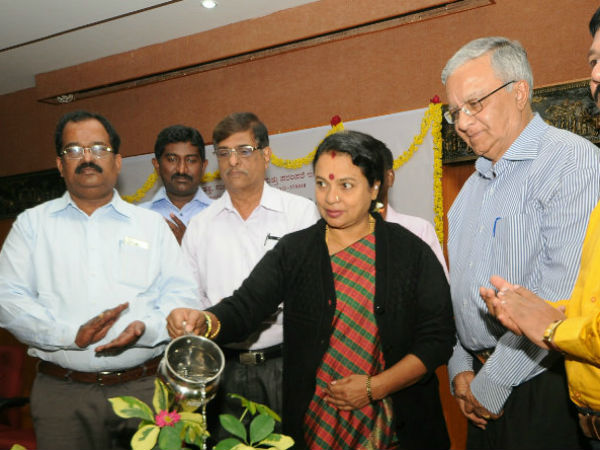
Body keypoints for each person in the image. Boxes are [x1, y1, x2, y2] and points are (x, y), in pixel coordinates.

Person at [169, 130, 455, 450]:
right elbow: (245, 306)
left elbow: (438, 339)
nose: (330, 198)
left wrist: (375, 387)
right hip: (317, 423)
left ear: (375, 187)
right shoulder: (295, 251)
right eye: (321, 183)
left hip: (396, 425)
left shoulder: (409, 252)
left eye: (346, 185)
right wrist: (205, 321)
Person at [0, 110, 199, 450]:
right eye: (74, 150)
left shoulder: (150, 226)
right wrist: (70, 336)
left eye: (98, 148)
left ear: (117, 162)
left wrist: (146, 329)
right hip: (62, 396)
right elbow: (7, 299)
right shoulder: (32, 226)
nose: (87, 158)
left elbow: (182, 297)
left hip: (143, 389)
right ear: (60, 164)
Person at [442, 36, 600, 449]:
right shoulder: (469, 190)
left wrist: (493, 382)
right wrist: (460, 365)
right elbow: (458, 292)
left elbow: (559, 293)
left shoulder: (570, 161)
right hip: (478, 383)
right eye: (455, 111)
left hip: (541, 382)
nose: (462, 122)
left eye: (474, 103)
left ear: (519, 92)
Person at [181, 112, 320, 439]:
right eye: (224, 153)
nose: (233, 161)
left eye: (244, 151)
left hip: (286, 364)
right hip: (222, 368)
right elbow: (190, 298)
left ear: (266, 155)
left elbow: (313, 293)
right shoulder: (200, 226)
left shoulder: (299, 214)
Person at [376, 141, 448, 276]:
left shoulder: (418, 230)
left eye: (371, 172)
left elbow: (438, 286)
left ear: (390, 177)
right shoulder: (338, 234)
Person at [140, 124, 212, 244]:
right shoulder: (138, 217)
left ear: (203, 166)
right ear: (157, 165)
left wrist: (188, 247)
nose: (181, 170)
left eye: (191, 160)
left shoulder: (224, 215)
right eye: (172, 159)